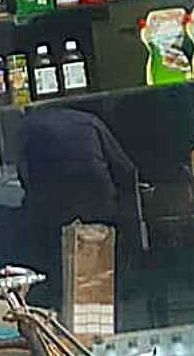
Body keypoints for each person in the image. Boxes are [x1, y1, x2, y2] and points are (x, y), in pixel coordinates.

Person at [17, 107, 140, 312]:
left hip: (53, 215)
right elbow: (126, 169)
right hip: (98, 210)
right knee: (102, 269)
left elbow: (23, 174)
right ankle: (105, 306)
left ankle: (58, 309)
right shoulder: (89, 121)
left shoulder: (28, 127)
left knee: (55, 269)